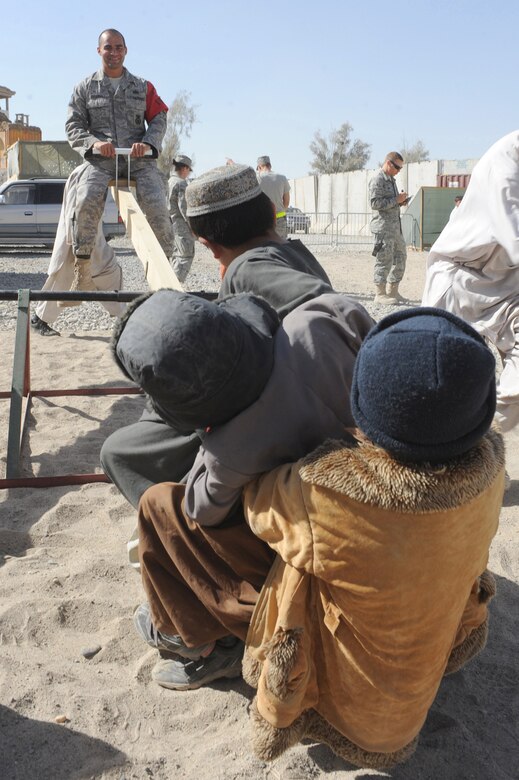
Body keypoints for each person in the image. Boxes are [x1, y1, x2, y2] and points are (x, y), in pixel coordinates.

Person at [242, 307, 504, 769]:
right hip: (424, 664)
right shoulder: (492, 472)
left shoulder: (329, 490)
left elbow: (260, 507)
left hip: (356, 707)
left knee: (295, 568)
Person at [110, 285, 372, 690]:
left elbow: (198, 512)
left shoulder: (229, 453)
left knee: (159, 506)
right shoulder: (324, 317)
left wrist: (208, 436)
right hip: (390, 510)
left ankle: (200, 643)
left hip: (327, 559)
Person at [100, 164, 334, 510]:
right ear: (272, 212)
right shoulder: (296, 253)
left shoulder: (251, 268)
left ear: (207, 245)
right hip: (303, 404)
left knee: (119, 451)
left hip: (275, 417)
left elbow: (318, 304)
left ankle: (187, 526)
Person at [422, 130, 519, 433]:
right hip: (460, 280)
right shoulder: (505, 161)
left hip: (507, 287)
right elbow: (514, 235)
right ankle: (435, 455)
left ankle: (481, 444)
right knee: (438, 378)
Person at [64, 28, 173, 291]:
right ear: (99, 50)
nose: (114, 53)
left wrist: (147, 143)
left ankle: (164, 272)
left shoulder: (142, 87)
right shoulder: (85, 88)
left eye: (118, 47)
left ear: (125, 50)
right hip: (102, 160)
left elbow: (159, 117)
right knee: (86, 199)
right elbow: (73, 124)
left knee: (158, 205)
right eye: (108, 47)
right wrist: (94, 144)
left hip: (138, 160)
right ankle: (84, 269)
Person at [30, 164, 126, 336]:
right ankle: (124, 318)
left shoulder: (97, 170)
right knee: (73, 273)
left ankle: (124, 317)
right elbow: (76, 211)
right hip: (79, 237)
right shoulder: (86, 172)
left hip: (89, 235)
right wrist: (76, 243)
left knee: (105, 271)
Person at [369, 151, 408, 304]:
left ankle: (393, 292)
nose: (399, 171)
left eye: (401, 169)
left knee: (400, 258)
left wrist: (400, 201)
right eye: (397, 167)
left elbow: (391, 201)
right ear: (388, 163)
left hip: (395, 228)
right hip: (383, 228)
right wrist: (396, 199)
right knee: (384, 260)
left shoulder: (391, 180)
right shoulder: (377, 179)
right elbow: (375, 203)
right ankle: (380, 294)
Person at [168, 154, 195, 283]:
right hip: (180, 225)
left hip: (169, 224)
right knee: (186, 255)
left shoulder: (169, 182)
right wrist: (193, 226)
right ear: (184, 168)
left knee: (175, 255)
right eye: (189, 170)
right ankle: (174, 287)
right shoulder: (181, 184)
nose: (188, 174)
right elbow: (185, 209)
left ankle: (168, 285)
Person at [256, 156, 290, 238]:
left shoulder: (257, 178)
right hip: (280, 220)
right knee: (281, 247)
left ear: (259, 167)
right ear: (270, 165)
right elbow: (287, 201)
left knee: (264, 247)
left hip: (263, 220)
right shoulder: (282, 178)